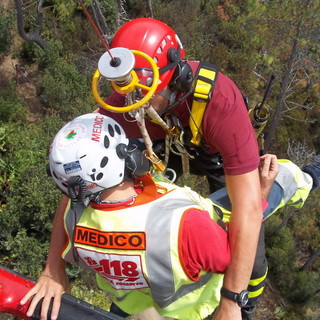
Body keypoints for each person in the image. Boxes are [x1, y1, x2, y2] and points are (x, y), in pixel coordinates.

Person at [20, 113, 319, 320]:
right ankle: (312, 174)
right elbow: (236, 250)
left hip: (131, 305)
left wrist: (51, 269)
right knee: (283, 177)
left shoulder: (75, 220)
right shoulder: (183, 225)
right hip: (193, 307)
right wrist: (261, 198)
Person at [96, 17, 267, 319]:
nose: (137, 106)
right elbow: (80, 171)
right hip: (167, 148)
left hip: (213, 151)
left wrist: (231, 301)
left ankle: (246, 306)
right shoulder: (123, 103)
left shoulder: (220, 102)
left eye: (146, 97)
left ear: (178, 78)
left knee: (252, 261)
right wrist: (54, 270)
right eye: (130, 97)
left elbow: (249, 208)